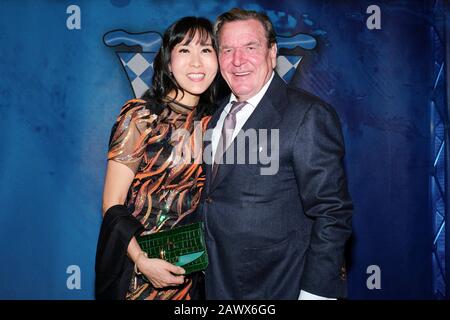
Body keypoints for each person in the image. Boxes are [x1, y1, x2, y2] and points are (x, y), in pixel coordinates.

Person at [195, 8, 353, 299]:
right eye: (227, 49)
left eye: (250, 47)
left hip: (279, 287)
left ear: (272, 52)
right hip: (219, 285)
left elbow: (332, 212)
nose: (237, 60)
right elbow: (215, 199)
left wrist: (315, 293)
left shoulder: (307, 115)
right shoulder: (216, 117)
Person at [95, 16, 218, 300]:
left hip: (195, 276)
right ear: (168, 61)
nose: (196, 63)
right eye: (185, 50)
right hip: (140, 271)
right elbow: (111, 203)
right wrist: (141, 260)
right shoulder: (141, 116)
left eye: (206, 50)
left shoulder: (219, 122)